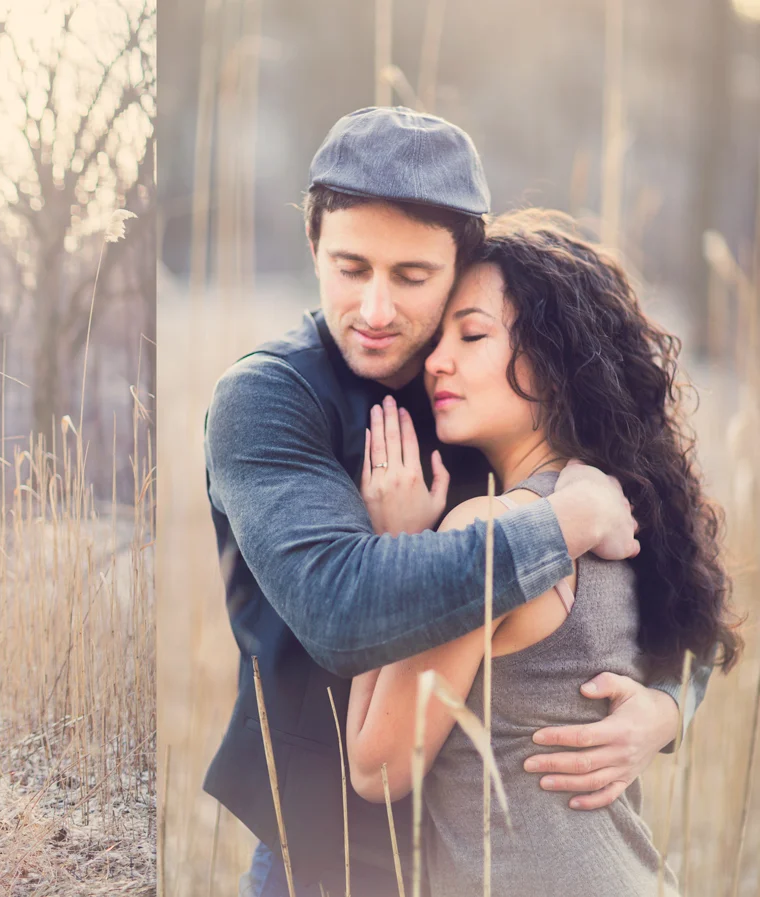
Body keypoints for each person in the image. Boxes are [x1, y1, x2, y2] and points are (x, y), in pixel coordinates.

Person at [202, 108, 708, 897]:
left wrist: (667, 708)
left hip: (485, 858)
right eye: (350, 267)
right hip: (326, 860)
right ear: (313, 248)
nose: (374, 310)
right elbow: (342, 609)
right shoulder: (268, 398)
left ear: (460, 265)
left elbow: (681, 575)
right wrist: (563, 523)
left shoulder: (489, 396)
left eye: (411, 278)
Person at [346, 210, 739, 895]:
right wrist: (670, 708)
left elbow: (377, 768)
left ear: (555, 368)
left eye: (472, 334)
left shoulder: (494, 527)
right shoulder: (610, 506)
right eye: (440, 337)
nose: (437, 359)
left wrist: (396, 547)